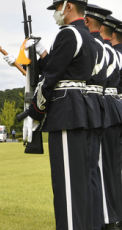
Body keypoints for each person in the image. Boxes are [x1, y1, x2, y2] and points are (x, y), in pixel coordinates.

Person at [4, 0, 97, 229]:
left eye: (57, 7)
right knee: (79, 182)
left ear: (69, 6)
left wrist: (36, 110)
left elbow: (49, 78)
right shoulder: (86, 37)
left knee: (66, 184)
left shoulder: (68, 34)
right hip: (81, 110)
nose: (56, 12)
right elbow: (58, 68)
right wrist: (26, 62)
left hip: (66, 112)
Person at [84, 4, 111, 229]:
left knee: (96, 167)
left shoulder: (90, 45)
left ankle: (102, 218)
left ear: (87, 21)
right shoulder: (109, 50)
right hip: (105, 105)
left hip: (90, 106)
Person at [99, 15, 122, 230]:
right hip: (117, 109)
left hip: (108, 110)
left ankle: (110, 218)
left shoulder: (109, 54)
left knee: (106, 168)